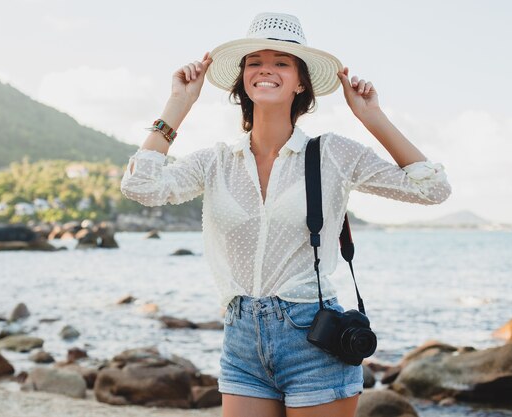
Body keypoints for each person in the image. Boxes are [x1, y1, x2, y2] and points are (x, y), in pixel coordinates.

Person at [120, 12, 451, 417]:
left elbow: (432, 188)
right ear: (243, 77)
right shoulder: (217, 161)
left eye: (281, 62)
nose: (266, 70)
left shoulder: (332, 154)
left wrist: (371, 116)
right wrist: (178, 104)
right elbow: (141, 186)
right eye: (255, 61)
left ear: (300, 81)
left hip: (314, 338)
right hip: (241, 338)